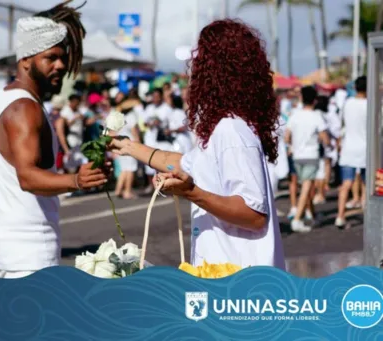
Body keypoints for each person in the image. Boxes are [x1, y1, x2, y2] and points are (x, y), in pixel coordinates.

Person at [109, 19, 285, 269]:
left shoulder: (231, 130)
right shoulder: (223, 127)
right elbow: (180, 164)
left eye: (198, 60)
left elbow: (253, 215)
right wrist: (127, 146)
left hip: (239, 286)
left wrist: (191, 193)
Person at [0, 2, 110, 279]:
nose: (60, 65)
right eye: (50, 58)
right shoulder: (25, 109)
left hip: (8, 246)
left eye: (62, 57)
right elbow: (28, 178)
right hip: (26, 251)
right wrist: (77, 180)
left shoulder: (3, 98)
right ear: (26, 59)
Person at [285, 86, 330, 233]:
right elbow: (324, 138)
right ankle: (297, 219)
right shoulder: (316, 116)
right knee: (306, 186)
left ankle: (312, 214)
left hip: (297, 155)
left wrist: (293, 145)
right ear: (315, 100)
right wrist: (328, 144)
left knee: (306, 185)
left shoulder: (294, 115)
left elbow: (287, 137)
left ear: (301, 98)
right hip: (311, 155)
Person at [335, 76, 368, 229]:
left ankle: (340, 216)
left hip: (349, 148)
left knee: (346, 184)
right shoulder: (371, 104)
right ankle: (368, 214)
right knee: (368, 185)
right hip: (366, 148)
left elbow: (342, 123)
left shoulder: (347, 104)